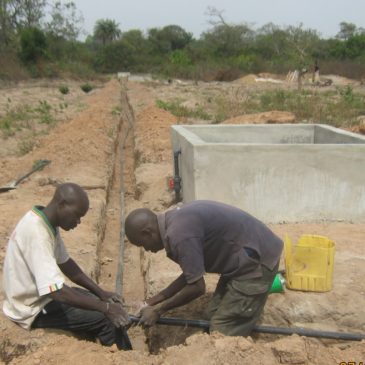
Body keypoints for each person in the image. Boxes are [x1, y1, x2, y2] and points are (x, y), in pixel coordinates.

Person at [2, 183, 132, 349]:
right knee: (105, 319)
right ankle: (125, 358)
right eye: (77, 215)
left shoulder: (46, 223)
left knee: (96, 301)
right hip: (31, 308)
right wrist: (106, 308)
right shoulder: (37, 234)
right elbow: (56, 291)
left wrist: (102, 294)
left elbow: (66, 263)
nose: (78, 222)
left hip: (41, 298)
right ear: (62, 204)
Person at [125, 200, 283, 336]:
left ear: (147, 233)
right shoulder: (174, 221)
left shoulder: (179, 236)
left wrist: (159, 311)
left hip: (257, 263)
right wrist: (150, 302)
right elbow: (191, 275)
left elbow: (197, 287)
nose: (146, 250)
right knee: (211, 316)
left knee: (222, 329)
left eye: (142, 244)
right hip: (242, 257)